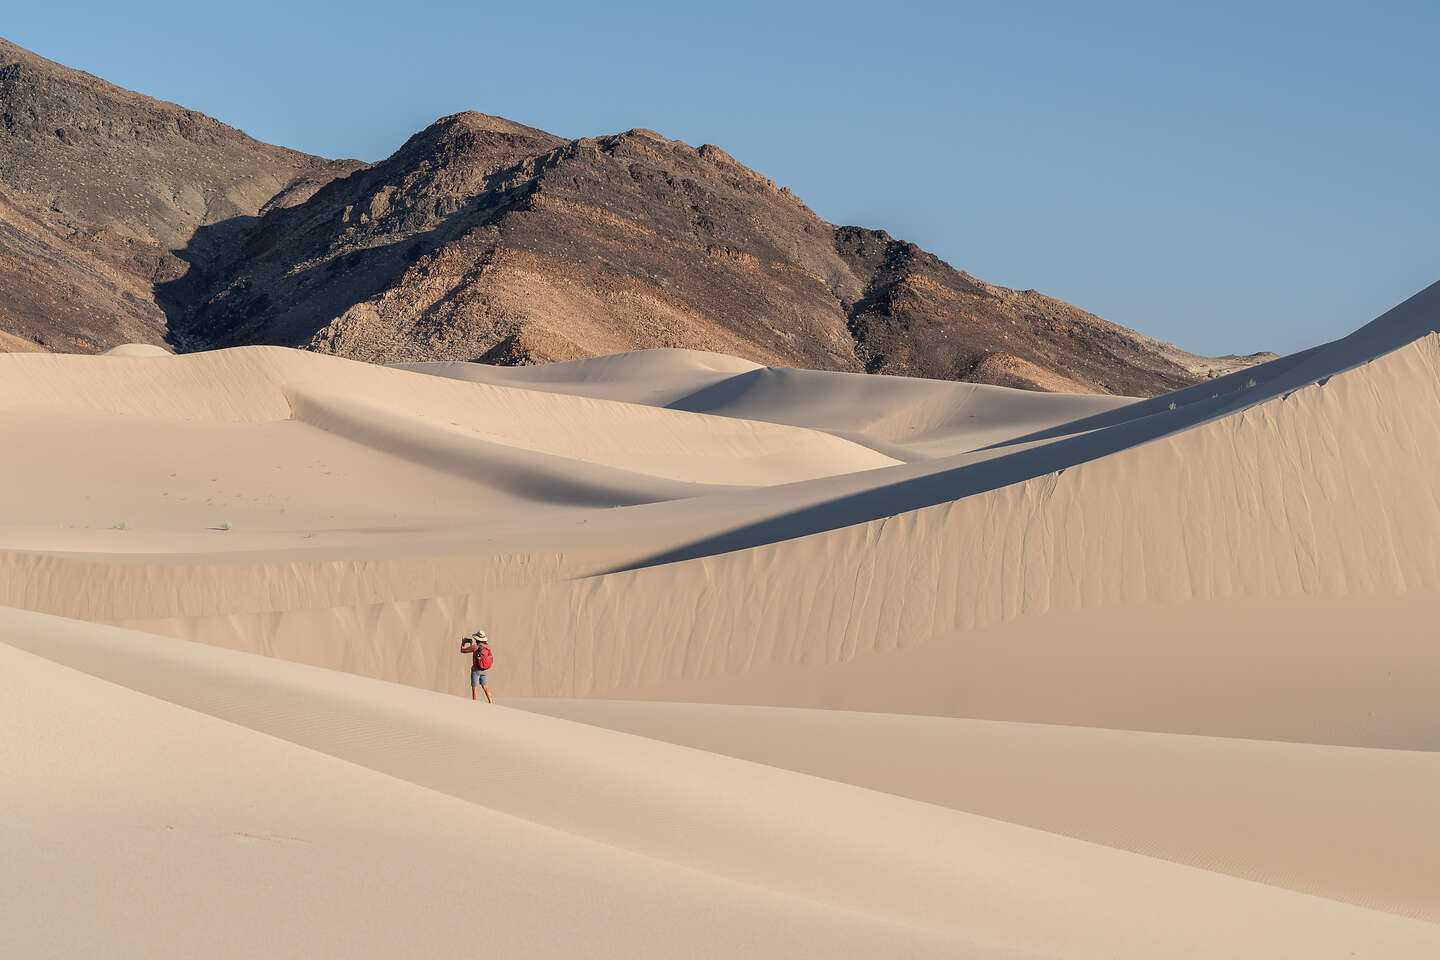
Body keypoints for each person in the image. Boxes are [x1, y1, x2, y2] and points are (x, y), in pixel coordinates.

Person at [460, 630, 494, 702]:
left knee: (474, 688)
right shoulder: (487, 647)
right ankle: (491, 702)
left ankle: (475, 704)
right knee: (485, 686)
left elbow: (463, 650)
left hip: (475, 670)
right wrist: (471, 644)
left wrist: (463, 643)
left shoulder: (475, 647)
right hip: (484, 670)